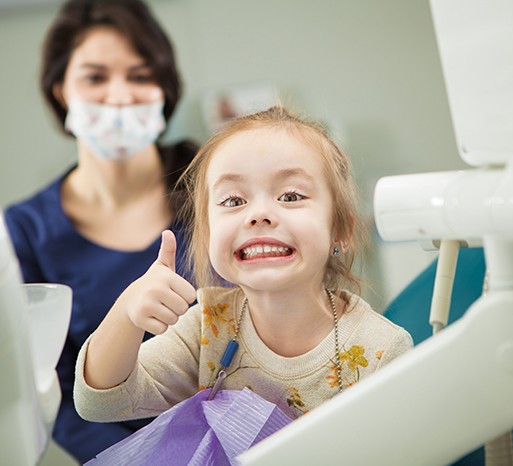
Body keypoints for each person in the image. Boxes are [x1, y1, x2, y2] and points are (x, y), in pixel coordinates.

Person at [73, 106, 413, 436]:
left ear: (341, 231)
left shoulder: (382, 349)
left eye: (291, 196)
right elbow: (100, 403)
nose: (259, 214)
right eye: (234, 201)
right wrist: (126, 313)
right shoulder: (208, 326)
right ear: (207, 235)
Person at [3, 0, 198, 463]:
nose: (118, 96)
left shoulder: (216, 186)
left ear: (164, 88)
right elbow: (53, 390)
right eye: (95, 77)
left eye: (139, 75)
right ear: (60, 91)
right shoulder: (26, 231)